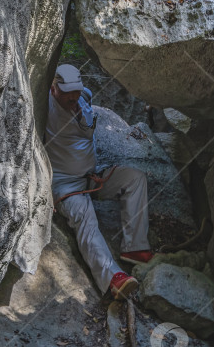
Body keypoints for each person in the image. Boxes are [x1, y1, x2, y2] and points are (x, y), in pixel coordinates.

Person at [45, 64, 154, 300]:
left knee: (135, 179)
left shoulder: (83, 97)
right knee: (86, 218)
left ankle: (136, 249)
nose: (73, 96)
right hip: (66, 187)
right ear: (54, 87)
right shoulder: (45, 105)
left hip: (93, 178)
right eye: (66, 92)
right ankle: (113, 279)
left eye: (76, 90)